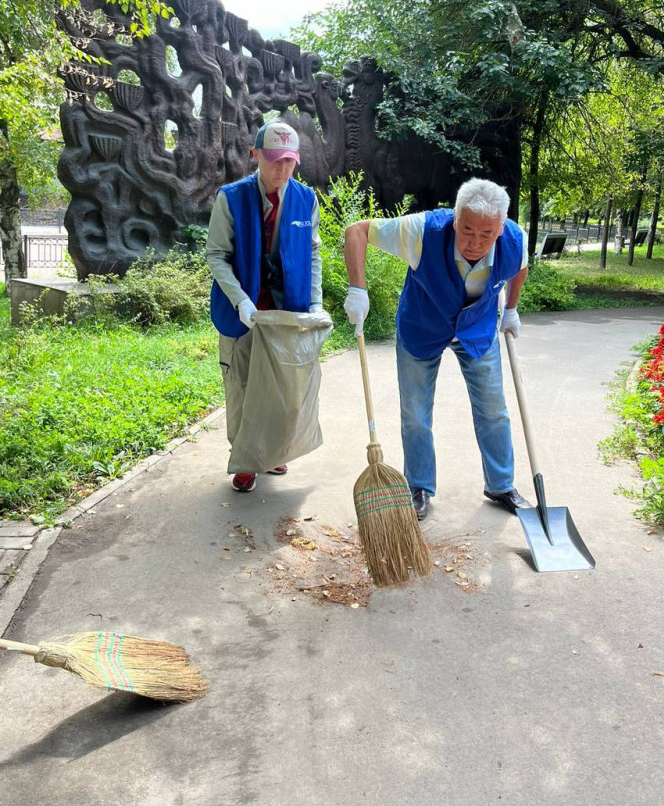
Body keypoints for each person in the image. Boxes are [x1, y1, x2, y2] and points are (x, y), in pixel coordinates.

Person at [343, 178, 530, 521]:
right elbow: (357, 231)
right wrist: (358, 289)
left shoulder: (515, 239)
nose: (475, 242)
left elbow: (520, 266)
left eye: (486, 234)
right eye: (467, 230)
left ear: (501, 228)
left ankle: (501, 485)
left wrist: (511, 308)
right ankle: (419, 487)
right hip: (422, 327)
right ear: (455, 218)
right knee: (415, 413)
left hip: (476, 329)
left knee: (493, 409)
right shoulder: (421, 231)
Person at [205, 120, 323, 493]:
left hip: (287, 311)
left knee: (283, 389)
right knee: (240, 387)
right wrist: (240, 299)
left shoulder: (306, 199)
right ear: (256, 155)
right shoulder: (231, 198)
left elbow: (313, 252)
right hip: (241, 311)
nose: (281, 170)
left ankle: (271, 453)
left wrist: (316, 301)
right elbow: (216, 255)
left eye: (289, 161)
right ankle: (245, 461)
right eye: (274, 160)